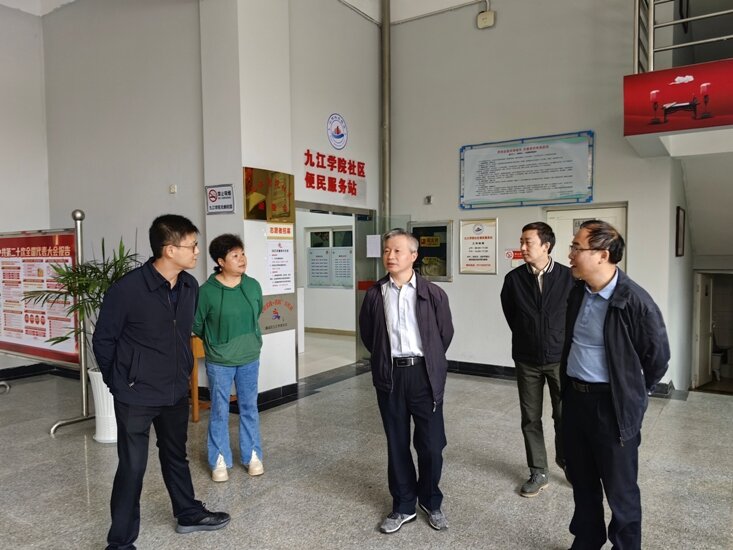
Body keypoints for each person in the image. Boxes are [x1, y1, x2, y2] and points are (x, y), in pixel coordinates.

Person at [93, 214, 230, 550]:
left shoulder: (189, 286)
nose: (197, 251)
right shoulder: (127, 290)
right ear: (169, 250)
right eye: (192, 245)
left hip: (174, 391)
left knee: (175, 455)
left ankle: (188, 514)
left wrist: (182, 374)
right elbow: (104, 341)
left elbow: (181, 335)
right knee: (132, 467)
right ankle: (120, 542)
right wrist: (119, 383)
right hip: (136, 395)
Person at [561, 220, 670, 550]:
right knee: (582, 481)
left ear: (602, 254)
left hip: (612, 406)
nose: (570, 254)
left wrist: (632, 394)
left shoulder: (635, 301)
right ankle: (587, 540)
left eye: (577, 248)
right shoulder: (577, 291)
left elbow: (657, 358)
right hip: (576, 401)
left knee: (621, 491)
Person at [359, 228, 454, 534]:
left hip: (424, 375)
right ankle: (403, 505)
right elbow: (369, 335)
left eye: (397, 251)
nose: (390, 256)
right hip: (391, 376)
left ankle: (431, 500)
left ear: (414, 255)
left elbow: (444, 335)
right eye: (387, 250)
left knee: (432, 444)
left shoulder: (433, 293)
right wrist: (386, 362)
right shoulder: (375, 294)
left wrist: (430, 362)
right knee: (397, 443)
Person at [500, 222, 574, 497]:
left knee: (564, 415)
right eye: (521, 241)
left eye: (528, 242)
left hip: (560, 359)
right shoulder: (514, 279)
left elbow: (576, 315)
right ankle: (539, 471)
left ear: (546, 246)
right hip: (526, 358)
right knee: (530, 417)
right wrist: (529, 335)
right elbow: (511, 315)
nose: (522, 247)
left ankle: (568, 461)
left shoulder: (568, 277)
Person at [192, 234, 264, 482]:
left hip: (249, 355)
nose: (242, 259)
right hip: (220, 360)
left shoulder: (252, 286)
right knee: (220, 410)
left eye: (242, 253)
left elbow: (257, 312)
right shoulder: (206, 292)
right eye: (235, 255)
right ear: (221, 262)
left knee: (249, 407)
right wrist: (216, 342)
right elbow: (197, 324)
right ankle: (219, 459)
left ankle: (252, 455)